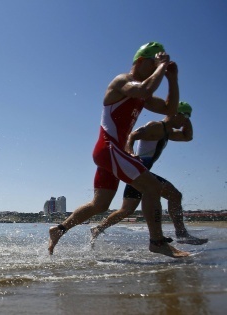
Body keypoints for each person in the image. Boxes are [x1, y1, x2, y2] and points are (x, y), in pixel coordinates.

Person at [47, 42, 189, 258]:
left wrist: (172, 78)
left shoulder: (143, 95)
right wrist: (163, 66)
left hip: (109, 153)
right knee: (152, 188)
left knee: (100, 204)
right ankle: (157, 242)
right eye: (153, 64)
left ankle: (59, 229)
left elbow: (169, 109)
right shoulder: (122, 81)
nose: (155, 70)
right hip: (109, 149)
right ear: (141, 62)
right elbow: (145, 88)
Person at [91, 102, 207, 245]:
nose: (185, 121)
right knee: (175, 195)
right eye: (183, 117)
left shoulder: (167, 132)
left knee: (126, 210)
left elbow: (187, 136)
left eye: (188, 118)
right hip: (139, 170)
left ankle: (98, 228)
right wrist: (130, 153)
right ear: (174, 114)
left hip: (140, 172)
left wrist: (186, 117)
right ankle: (180, 234)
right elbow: (132, 135)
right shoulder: (156, 126)